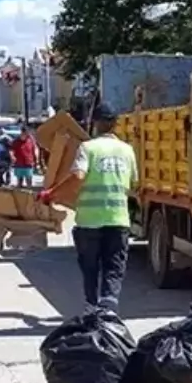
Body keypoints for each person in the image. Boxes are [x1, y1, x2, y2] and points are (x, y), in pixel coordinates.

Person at [39, 103, 136, 312]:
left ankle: (91, 306)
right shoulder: (127, 151)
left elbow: (78, 176)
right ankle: (108, 306)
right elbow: (134, 183)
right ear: (114, 124)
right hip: (118, 220)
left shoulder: (88, 148)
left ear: (96, 123)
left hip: (89, 221)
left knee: (90, 267)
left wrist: (52, 193)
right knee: (114, 267)